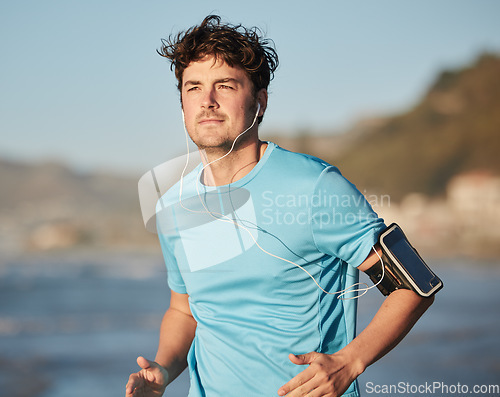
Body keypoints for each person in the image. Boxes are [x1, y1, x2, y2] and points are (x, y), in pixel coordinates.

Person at [126, 15, 434, 397]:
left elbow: (414, 285)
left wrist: (351, 362)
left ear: (260, 101)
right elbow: (185, 310)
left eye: (225, 85)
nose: (207, 101)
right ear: (183, 104)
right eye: (194, 88)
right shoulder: (175, 205)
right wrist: (164, 367)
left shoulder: (313, 187)